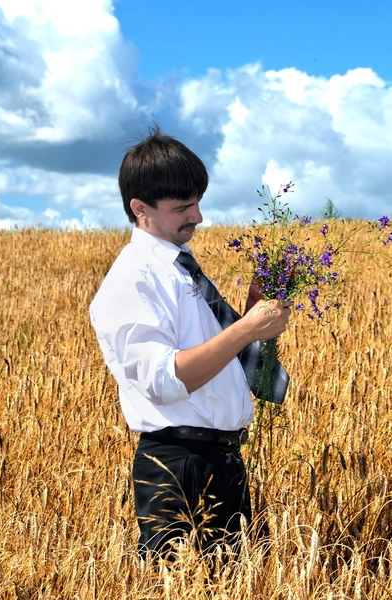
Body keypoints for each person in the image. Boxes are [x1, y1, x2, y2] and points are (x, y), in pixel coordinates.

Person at [89, 126, 291, 558]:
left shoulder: (180, 270)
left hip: (221, 460)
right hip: (178, 467)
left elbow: (213, 357)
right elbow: (166, 381)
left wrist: (252, 308)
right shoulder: (134, 279)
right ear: (140, 209)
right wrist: (246, 329)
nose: (197, 216)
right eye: (183, 206)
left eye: (198, 202)